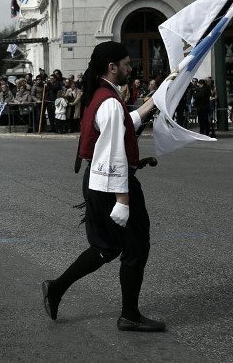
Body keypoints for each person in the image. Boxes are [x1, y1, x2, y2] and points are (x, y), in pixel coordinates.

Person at [41, 40, 164, 332]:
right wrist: (123, 199)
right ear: (112, 67)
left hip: (98, 181)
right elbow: (113, 153)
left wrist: (153, 102)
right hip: (111, 183)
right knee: (135, 248)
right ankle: (129, 316)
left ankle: (56, 288)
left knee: (106, 247)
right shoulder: (109, 101)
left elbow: (123, 124)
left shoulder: (102, 94)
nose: (129, 68)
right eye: (125, 64)